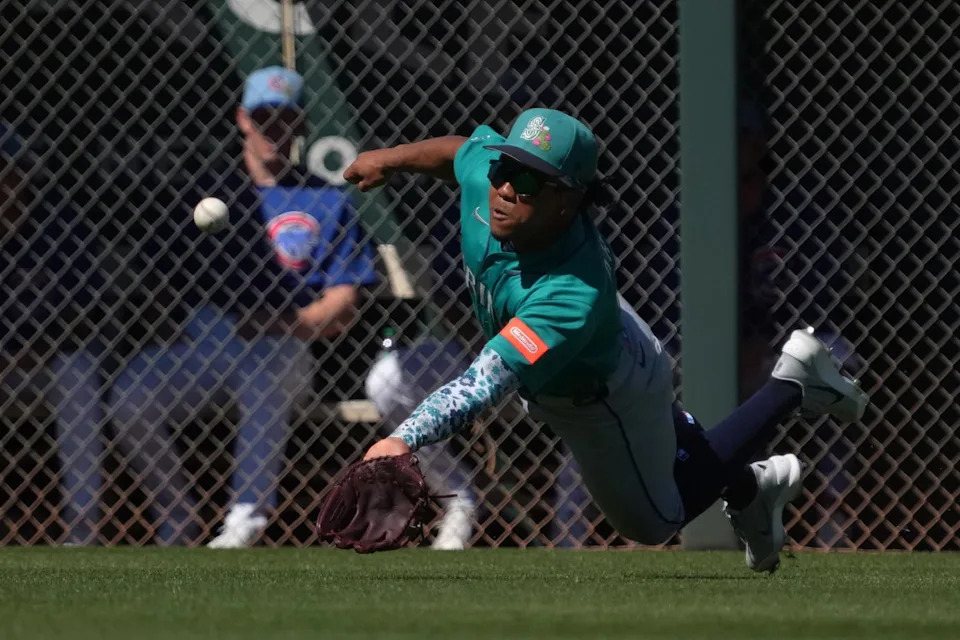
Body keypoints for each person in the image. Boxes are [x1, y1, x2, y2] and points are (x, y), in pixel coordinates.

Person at [342, 108, 868, 571]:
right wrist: (389, 159)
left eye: (527, 182)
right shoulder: (493, 180)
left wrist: (403, 439)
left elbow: (484, 383)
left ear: (568, 200)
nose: (504, 187)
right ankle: (749, 487)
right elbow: (463, 152)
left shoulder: (570, 293)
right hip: (597, 344)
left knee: (656, 521)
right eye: (506, 169)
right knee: (673, 459)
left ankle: (789, 386)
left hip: (606, 392)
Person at [108, 67, 377, 547]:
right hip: (211, 344)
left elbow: (342, 304)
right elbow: (166, 287)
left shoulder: (326, 198)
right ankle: (178, 515)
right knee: (132, 396)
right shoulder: (209, 193)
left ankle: (245, 519)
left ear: (301, 124)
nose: (274, 128)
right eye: (263, 117)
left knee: (265, 369)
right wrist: (174, 324)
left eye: (285, 118)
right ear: (243, 120)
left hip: (289, 351)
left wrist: (284, 324)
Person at [0, 120, 116, 545]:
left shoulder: (56, 226)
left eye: (5, 169)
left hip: (38, 367)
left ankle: (82, 527)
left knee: (77, 371)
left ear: (22, 172)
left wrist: (18, 357)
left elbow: (85, 318)